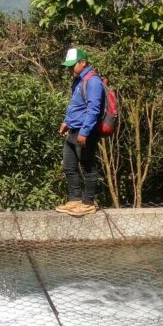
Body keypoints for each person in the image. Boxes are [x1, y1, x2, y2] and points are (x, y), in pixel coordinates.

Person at [56, 47, 103, 217]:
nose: (69, 69)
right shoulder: (78, 80)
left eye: (72, 65)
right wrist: (66, 122)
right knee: (69, 166)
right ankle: (75, 199)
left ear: (83, 63)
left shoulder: (93, 82)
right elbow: (76, 105)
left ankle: (88, 203)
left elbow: (93, 109)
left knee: (88, 167)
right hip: (72, 130)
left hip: (84, 132)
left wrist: (84, 132)